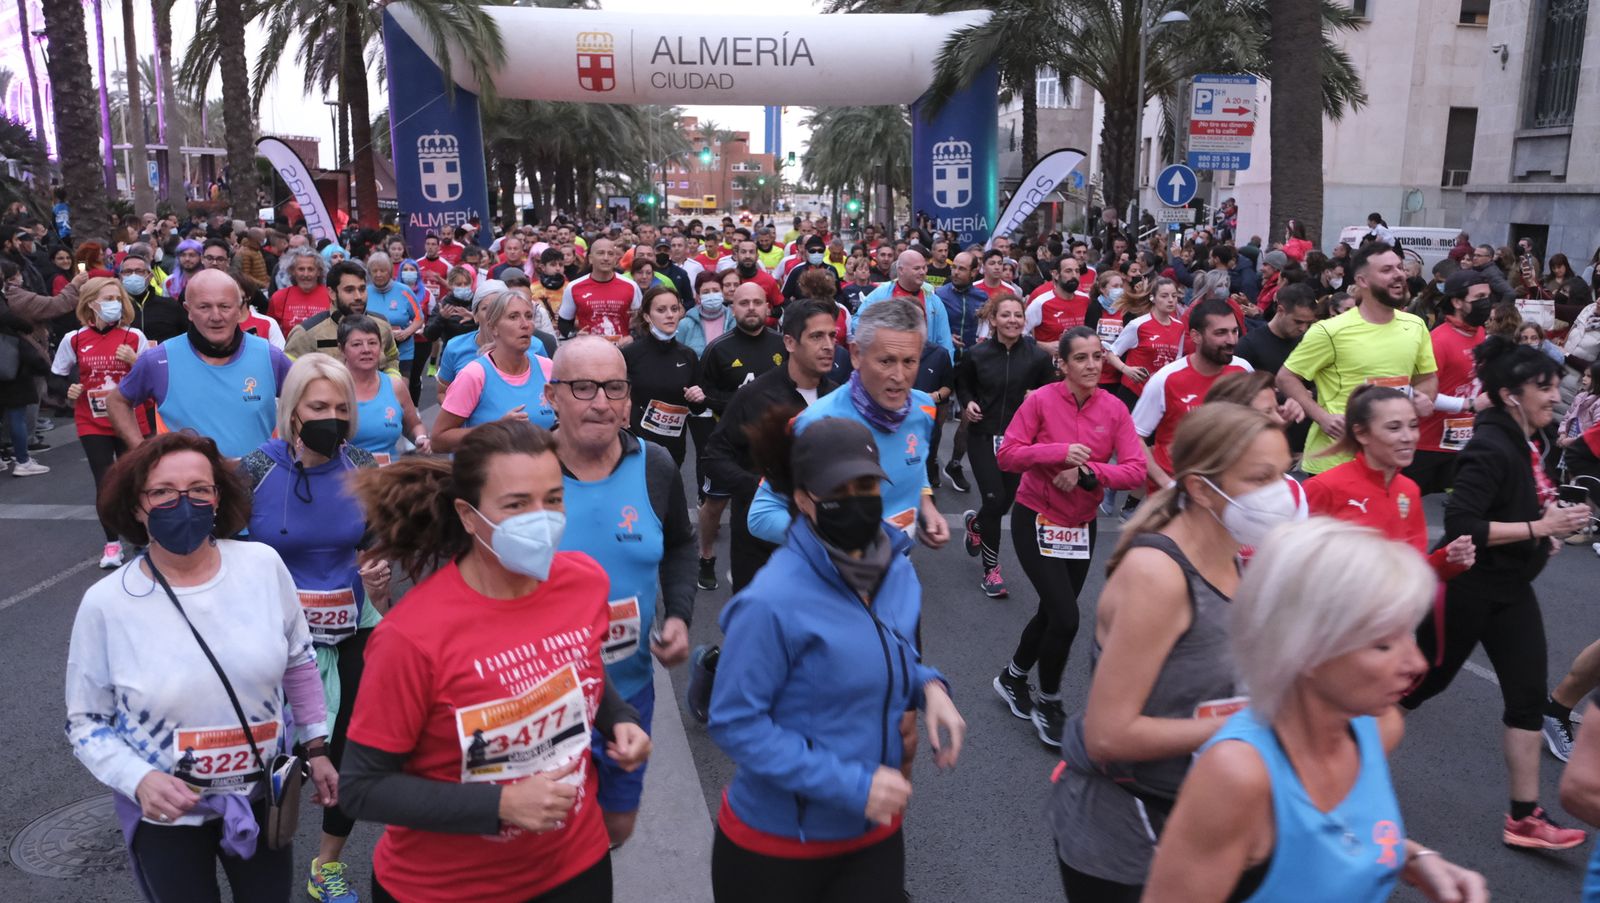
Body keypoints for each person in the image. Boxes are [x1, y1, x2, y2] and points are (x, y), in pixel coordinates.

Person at [339, 420, 651, 903]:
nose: (542, 518)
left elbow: (578, 666)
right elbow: (361, 788)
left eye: (553, 499)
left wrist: (620, 720)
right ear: (467, 515)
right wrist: (501, 804)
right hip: (447, 889)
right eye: (517, 504)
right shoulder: (411, 637)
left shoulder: (584, 581)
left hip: (576, 865)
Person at [1143, 520, 1488, 903]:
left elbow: (1336, 835)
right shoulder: (1238, 775)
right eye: (1383, 644)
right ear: (1305, 648)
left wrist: (1414, 857)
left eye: (1409, 634)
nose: (1418, 663)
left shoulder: (1377, 729)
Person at [65, 431, 336, 903]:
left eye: (199, 489)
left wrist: (317, 746)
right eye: (163, 492)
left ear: (218, 498)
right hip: (166, 816)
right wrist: (139, 779)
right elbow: (86, 721)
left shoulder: (262, 566)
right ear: (135, 506)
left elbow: (299, 660)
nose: (183, 502)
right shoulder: (105, 604)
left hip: (260, 798)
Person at [707, 416, 965, 902]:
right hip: (778, 849)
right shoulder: (770, 601)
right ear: (804, 500)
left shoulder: (897, 572)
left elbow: (886, 654)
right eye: (838, 488)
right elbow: (734, 723)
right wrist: (852, 784)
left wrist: (929, 687)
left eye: (866, 484)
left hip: (873, 835)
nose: (856, 498)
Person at [1048, 403, 1300, 899]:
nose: (1282, 495)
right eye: (1261, 478)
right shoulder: (1158, 575)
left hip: (1210, 821)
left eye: (1284, 475)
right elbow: (1108, 734)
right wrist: (1252, 722)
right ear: (1203, 488)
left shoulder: (1242, 559)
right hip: (1132, 837)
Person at [1400, 336, 1592, 849]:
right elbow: (1463, 525)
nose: (1557, 396)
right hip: (1465, 590)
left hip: (1511, 591)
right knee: (1414, 690)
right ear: (1510, 395)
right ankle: (1327, 762)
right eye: (1544, 388)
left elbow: (1528, 512)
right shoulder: (1489, 444)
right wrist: (1537, 529)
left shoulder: (1529, 441)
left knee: (1528, 700)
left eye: (1556, 387)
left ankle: (1523, 817)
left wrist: (1546, 530)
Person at [238, 355, 388, 903]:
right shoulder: (254, 469)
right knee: (275, 759)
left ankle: (326, 863)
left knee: (351, 753)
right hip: (272, 638)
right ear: (292, 411)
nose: (333, 417)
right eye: (319, 406)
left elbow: (375, 543)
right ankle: (255, 862)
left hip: (352, 625)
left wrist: (378, 574)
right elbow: (225, 552)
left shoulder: (363, 464)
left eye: (342, 408)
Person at [545, 337, 696, 848]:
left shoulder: (654, 466)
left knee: (616, 826)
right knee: (551, 839)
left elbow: (680, 544)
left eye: (614, 388)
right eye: (583, 388)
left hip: (629, 694)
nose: (601, 403)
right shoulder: (520, 472)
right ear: (552, 396)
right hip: (542, 701)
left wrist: (678, 615)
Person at [684, 301, 843, 721]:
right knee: (755, 634)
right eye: (817, 337)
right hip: (762, 535)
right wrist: (757, 488)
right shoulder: (756, 396)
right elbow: (715, 456)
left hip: (822, 537)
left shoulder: (840, 394)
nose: (829, 346)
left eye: (832, 336)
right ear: (790, 342)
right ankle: (713, 668)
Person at [993, 326, 1146, 746]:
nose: (1093, 365)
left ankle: (1013, 677)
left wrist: (1090, 472)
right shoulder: (1041, 400)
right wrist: (1056, 452)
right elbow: (1007, 455)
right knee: (1066, 616)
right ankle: (1050, 701)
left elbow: (1135, 469)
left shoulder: (1113, 408)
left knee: (1052, 611)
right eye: (1081, 358)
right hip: (1035, 517)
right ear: (1062, 364)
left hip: (1080, 524)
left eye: (1098, 356)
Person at [747, 299, 951, 550]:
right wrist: (839, 536)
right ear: (855, 355)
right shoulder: (815, 423)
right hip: (832, 580)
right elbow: (762, 515)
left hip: (896, 572)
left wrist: (926, 506)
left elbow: (913, 462)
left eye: (909, 361)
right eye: (886, 361)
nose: (899, 376)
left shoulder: (922, 408)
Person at [1278, 243, 1439, 476]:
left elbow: (1427, 378)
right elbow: (1286, 377)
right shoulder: (1329, 330)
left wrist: (1425, 397)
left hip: (1388, 461)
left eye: (1400, 268)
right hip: (1334, 463)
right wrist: (1322, 417)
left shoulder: (1415, 326)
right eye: (1387, 270)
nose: (1399, 275)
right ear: (1362, 281)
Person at [106, 270, 293, 459]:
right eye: (204, 307)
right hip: (187, 484)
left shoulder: (269, 356)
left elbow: (306, 400)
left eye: (225, 306)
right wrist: (142, 453)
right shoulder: (160, 360)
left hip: (257, 483)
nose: (216, 316)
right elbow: (117, 401)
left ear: (239, 309)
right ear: (188, 311)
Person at [1305, 384, 1477, 583]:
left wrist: (1447, 559)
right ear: (1361, 433)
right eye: (1394, 427)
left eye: (1413, 425)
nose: (1408, 437)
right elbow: (1301, 570)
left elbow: (1414, 571)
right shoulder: (1324, 488)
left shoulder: (1409, 489)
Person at [955, 293, 1054, 596]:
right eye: (1006, 315)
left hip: (1019, 441)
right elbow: (963, 383)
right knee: (995, 499)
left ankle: (976, 525)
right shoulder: (976, 354)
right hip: (983, 435)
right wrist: (969, 403)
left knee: (1001, 504)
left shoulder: (1038, 357)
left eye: (1018, 315)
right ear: (994, 320)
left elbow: (1050, 392)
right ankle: (992, 571)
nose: (1013, 320)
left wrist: (1036, 397)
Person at [50, 277, 152, 566]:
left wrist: (135, 361)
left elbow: (153, 380)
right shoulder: (75, 339)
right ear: (90, 303)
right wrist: (68, 389)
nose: (115, 304)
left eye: (118, 299)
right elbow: (56, 376)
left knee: (135, 479)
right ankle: (111, 544)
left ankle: (142, 539)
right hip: (92, 420)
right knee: (105, 481)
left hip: (130, 418)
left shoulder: (134, 336)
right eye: (108, 299)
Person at [696, 283, 787, 587]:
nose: (751, 308)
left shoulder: (781, 346)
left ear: (767, 308)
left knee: (767, 504)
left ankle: (765, 564)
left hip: (772, 447)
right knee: (715, 504)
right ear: (732, 308)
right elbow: (704, 392)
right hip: (731, 444)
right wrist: (739, 404)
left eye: (757, 302)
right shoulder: (718, 349)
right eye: (743, 302)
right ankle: (706, 554)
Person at [1132, 298, 1254, 490]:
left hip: (1224, 492)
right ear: (1196, 336)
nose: (1231, 340)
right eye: (1220, 333)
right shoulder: (1166, 379)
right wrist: (1166, 483)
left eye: (1234, 331)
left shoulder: (1243, 370)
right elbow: (1134, 437)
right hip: (1175, 495)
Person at [1405, 270, 1493, 495]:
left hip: (1463, 443)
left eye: (1488, 296)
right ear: (1456, 302)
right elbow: (1420, 394)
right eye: (1479, 298)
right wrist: (1469, 405)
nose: (1487, 303)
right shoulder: (1438, 340)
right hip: (1425, 444)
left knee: (1461, 509)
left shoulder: (1480, 332)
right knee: (1406, 507)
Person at [433, 290, 555, 452]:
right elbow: (438, 440)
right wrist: (495, 430)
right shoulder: (475, 374)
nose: (525, 324)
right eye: (513, 317)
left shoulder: (548, 367)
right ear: (493, 327)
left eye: (529, 316)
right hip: (486, 474)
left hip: (541, 474)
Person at [623, 285, 704, 467]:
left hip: (674, 448)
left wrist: (698, 397)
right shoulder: (630, 354)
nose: (670, 315)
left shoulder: (687, 355)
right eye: (661, 310)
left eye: (674, 309)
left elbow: (697, 408)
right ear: (646, 316)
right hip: (637, 446)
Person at [283, 261, 402, 378]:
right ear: (332, 293)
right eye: (349, 290)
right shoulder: (306, 333)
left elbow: (392, 359)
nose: (358, 297)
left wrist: (392, 381)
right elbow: (288, 375)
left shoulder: (382, 325)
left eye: (362, 289)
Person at [340, 318, 428, 463]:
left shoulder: (394, 386)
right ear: (342, 349)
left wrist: (421, 438)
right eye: (357, 344)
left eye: (373, 343)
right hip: (343, 478)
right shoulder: (332, 387)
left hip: (386, 479)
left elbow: (414, 425)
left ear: (381, 348)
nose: (366, 350)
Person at [854, 249, 955, 362]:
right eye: (917, 268)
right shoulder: (880, 294)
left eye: (924, 267)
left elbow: (945, 342)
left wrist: (947, 368)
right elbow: (857, 323)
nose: (922, 272)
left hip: (923, 363)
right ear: (901, 270)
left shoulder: (934, 301)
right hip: (889, 361)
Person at [1107, 276, 1185, 404]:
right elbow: (1111, 353)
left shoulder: (1179, 327)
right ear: (1152, 298)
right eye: (1164, 296)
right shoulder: (1137, 325)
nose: (1170, 300)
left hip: (1159, 394)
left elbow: (1177, 360)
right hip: (1133, 392)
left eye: (1174, 296)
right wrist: (1126, 369)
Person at [560, 237, 643, 340]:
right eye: (600, 253)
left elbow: (642, 322)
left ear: (616, 259)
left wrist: (631, 337)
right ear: (590, 259)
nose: (606, 258)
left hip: (623, 351)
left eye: (611, 254)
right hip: (588, 351)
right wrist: (575, 335)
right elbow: (563, 324)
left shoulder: (631, 286)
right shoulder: (573, 287)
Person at [268, 248, 332, 334]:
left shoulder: (331, 296)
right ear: (293, 271)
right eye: (301, 269)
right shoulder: (279, 297)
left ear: (319, 272)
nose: (305, 274)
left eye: (310, 269)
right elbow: (270, 331)